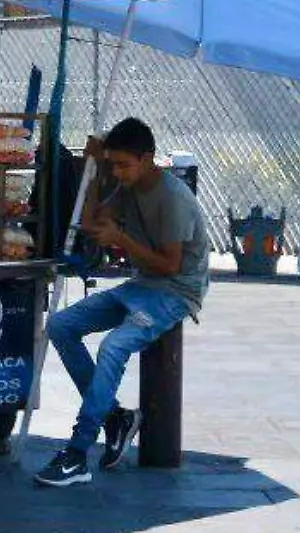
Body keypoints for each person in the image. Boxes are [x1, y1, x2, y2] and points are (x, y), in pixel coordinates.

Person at [34, 117, 210, 488]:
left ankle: (78, 451)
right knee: (61, 326)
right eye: (114, 164)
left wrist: (122, 240)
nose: (119, 172)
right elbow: (92, 223)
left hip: (176, 291)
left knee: (113, 347)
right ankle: (114, 418)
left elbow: (170, 265)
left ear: (148, 158)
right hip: (141, 284)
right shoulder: (127, 185)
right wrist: (94, 172)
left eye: (123, 165)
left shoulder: (173, 198)